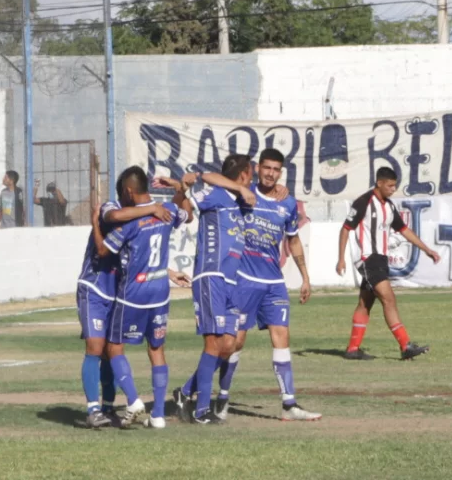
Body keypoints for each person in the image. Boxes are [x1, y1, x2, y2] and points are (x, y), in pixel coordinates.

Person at [187, 148, 321, 422]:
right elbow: (215, 181)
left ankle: (289, 405)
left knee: (282, 338)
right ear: (257, 169)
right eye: (267, 168)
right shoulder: (241, 193)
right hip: (243, 280)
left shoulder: (287, 203)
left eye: (276, 170)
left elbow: (292, 239)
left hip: (273, 281)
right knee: (232, 345)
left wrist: (305, 276)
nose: (271, 174)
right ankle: (217, 397)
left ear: (281, 172)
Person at [91, 166, 192, 429]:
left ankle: (134, 400)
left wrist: (95, 224)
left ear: (128, 191)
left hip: (133, 293)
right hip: (160, 291)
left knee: (113, 347)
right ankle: (158, 415)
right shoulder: (167, 212)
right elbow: (188, 214)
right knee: (156, 350)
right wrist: (179, 188)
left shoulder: (130, 222)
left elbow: (103, 251)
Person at [173, 154, 256, 425]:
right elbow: (205, 177)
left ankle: (185, 392)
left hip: (231, 281)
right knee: (213, 343)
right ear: (243, 175)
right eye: (251, 175)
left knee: (228, 345)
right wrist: (181, 189)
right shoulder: (217, 195)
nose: (253, 180)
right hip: (211, 276)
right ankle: (201, 411)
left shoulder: (242, 199)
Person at [336, 167, 440, 361]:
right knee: (389, 299)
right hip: (368, 258)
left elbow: (404, 230)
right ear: (380, 183)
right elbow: (345, 229)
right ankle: (405, 345)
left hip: (381, 259)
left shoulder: (390, 206)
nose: (393, 189)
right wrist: (341, 258)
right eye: (390, 185)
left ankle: (352, 349)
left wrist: (427, 249)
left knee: (364, 304)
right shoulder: (363, 202)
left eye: (395, 186)